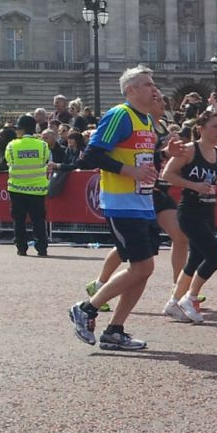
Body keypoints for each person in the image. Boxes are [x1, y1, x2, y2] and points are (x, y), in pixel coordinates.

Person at [67, 66, 174, 352]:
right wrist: (128, 170)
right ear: (131, 91)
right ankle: (87, 308)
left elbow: (144, 160)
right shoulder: (120, 115)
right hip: (122, 203)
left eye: (154, 83)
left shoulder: (147, 121)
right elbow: (91, 155)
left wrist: (165, 154)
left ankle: (115, 330)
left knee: (143, 270)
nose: (154, 89)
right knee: (142, 266)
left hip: (143, 203)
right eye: (147, 84)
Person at [161, 110, 217, 324]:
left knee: (195, 259)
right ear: (201, 129)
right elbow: (167, 175)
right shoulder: (189, 150)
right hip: (189, 210)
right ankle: (190, 298)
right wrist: (194, 185)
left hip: (208, 210)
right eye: (215, 127)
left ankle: (173, 302)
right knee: (215, 257)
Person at [4, 114, 54, 257]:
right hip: (37, 189)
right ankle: (42, 248)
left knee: (19, 220)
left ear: (22, 129)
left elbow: (9, 162)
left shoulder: (12, 145)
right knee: (38, 220)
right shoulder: (43, 145)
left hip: (17, 188)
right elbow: (45, 160)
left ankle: (21, 248)